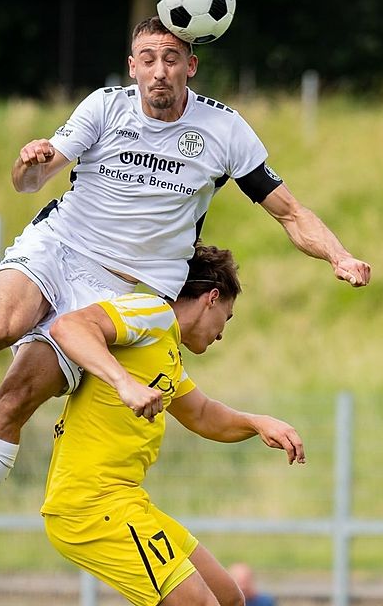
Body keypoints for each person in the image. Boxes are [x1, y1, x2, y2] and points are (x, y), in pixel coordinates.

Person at [0, 16, 369, 602]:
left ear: (191, 65)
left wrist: (338, 255)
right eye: (147, 58)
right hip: (61, 248)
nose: (159, 70)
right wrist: (29, 162)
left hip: (122, 293)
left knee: (12, 400)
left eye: (171, 58)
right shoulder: (105, 108)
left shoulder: (224, 131)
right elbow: (30, 181)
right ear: (132, 66)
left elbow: (290, 212)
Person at [42, 244, 305, 605]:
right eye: (226, 318)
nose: (221, 334)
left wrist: (256, 422)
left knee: (228, 597)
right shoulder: (151, 313)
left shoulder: (165, 349)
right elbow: (68, 327)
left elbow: (202, 414)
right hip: (90, 506)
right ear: (212, 298)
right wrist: (124, 383)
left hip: (127, 501)